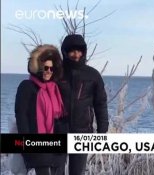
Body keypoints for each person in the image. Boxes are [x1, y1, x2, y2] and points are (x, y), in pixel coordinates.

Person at [58, 34, 109, 175]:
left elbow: (100, 103)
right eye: (72, 51)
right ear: (65, 51)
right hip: (58, 130)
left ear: (84, 52)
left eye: (79, 50)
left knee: (77, 172)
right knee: (56, 171)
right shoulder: (57, 73)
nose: (76, 54)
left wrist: (102, 129)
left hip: (82, 132)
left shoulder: (93, 75)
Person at [15, 44, 66, 175]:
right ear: (38, 67)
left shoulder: (55, 88)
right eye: (45, 67)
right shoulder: (27, 86)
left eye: (52, 68)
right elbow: (21, 117)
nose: (49, 71)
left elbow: (60, 117)